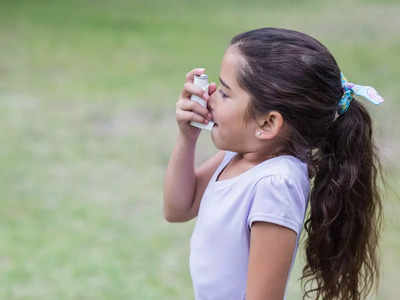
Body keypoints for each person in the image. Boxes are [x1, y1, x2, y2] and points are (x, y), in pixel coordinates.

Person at [163, 27, 384, 300]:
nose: (209, 96)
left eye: (224, 91)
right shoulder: (241, 155)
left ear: (268, 123)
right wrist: (188, 137)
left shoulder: (275, 184)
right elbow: (177, 208)